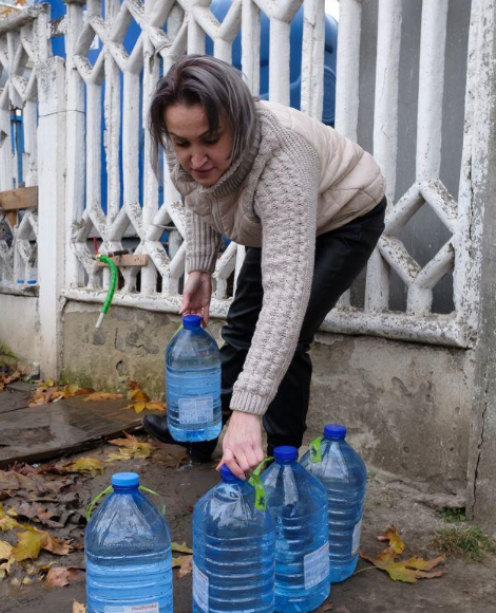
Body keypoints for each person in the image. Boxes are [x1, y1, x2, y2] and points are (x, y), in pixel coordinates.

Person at [142, 55, 387, 480]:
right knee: (240, 326)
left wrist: (249, 408)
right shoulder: (182, 137)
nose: (195, 157)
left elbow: (284, 303)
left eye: (209, 140)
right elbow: (201, 195)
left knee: (288, 337)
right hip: (270, 216)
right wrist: (200, 268)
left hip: (345, 215)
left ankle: (279, 464)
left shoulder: (283, 157)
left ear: (237, 122)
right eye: (183, 145)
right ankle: (201, 433)